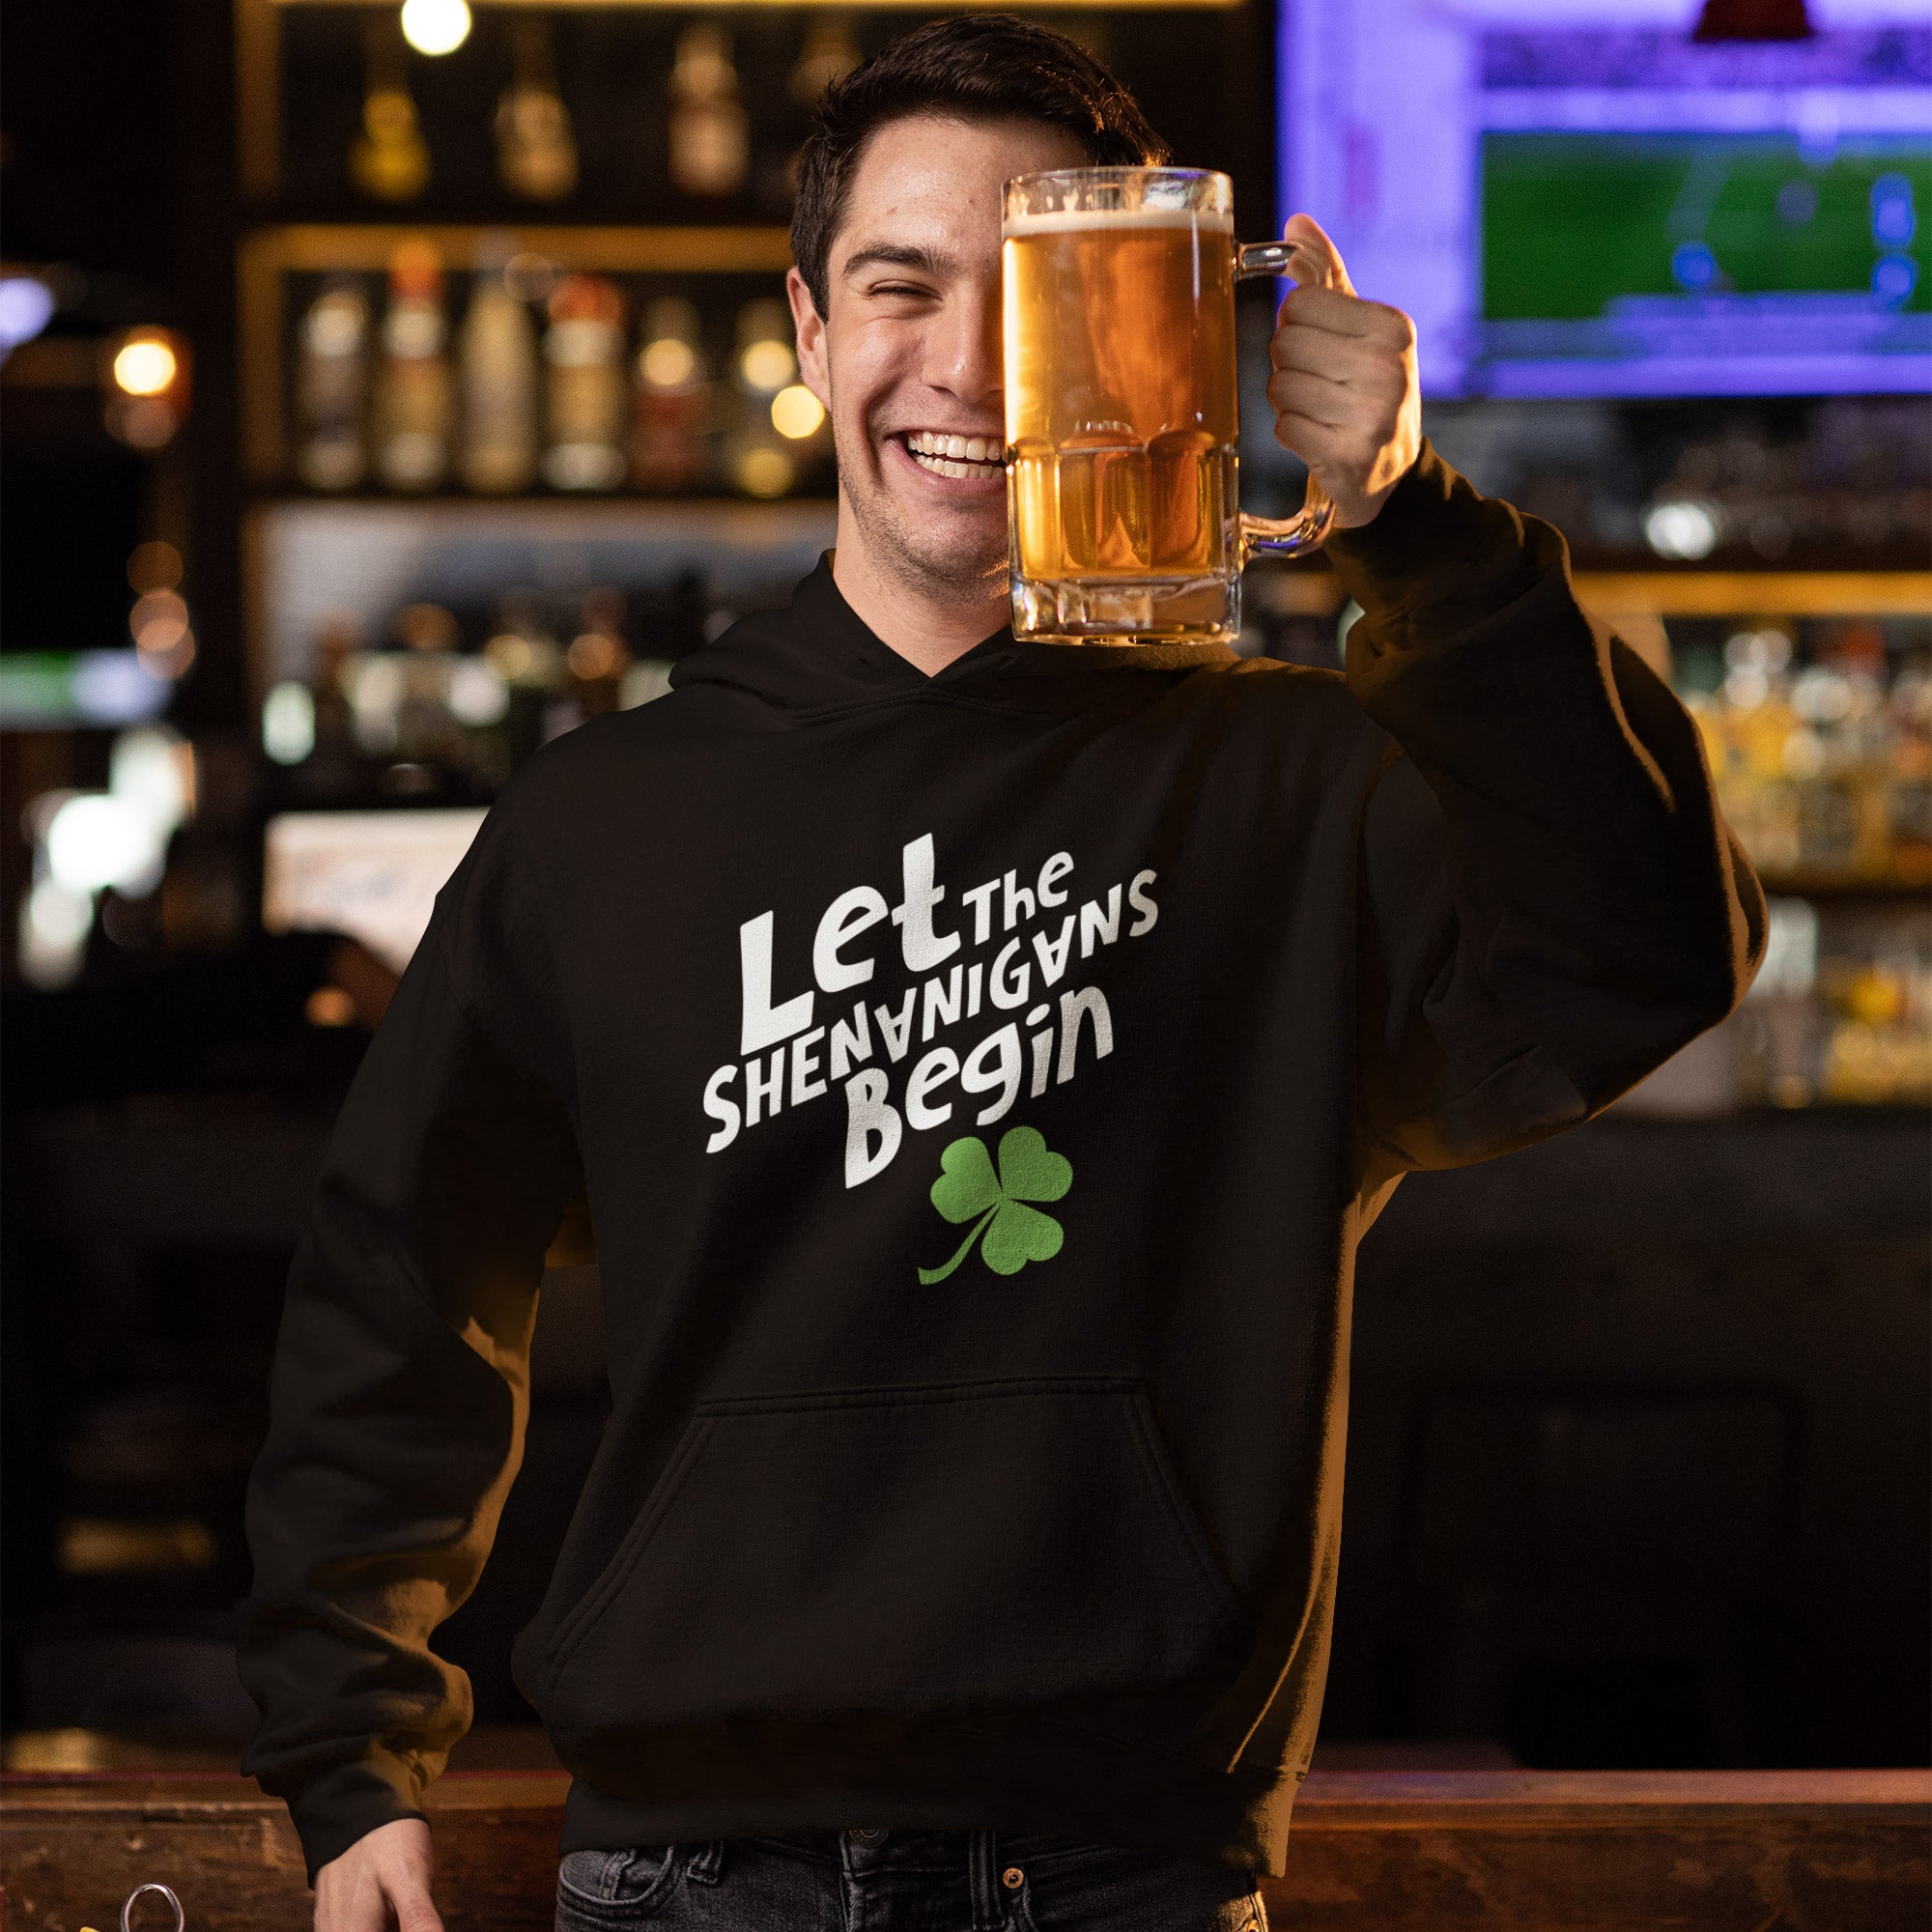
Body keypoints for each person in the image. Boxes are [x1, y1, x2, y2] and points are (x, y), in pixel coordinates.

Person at [240, 16, 1764, 1932]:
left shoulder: (1286, 784)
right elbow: (401, 1277)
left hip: (1121, 1862)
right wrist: (350, 1738)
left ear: (1139, 319)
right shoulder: (605, 816)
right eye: (899, 287)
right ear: (805, 331)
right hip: (686, 1873)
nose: (962, 365)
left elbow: (1644, 956)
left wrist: (1415, 524)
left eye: (1026, 297)